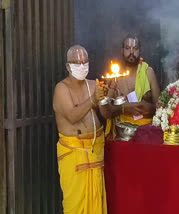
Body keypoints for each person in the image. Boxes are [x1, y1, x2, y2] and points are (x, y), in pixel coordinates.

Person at [53, 45, 108, 213]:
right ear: (68, 66)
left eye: (84, 61)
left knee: (96, 201)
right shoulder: (61, 89)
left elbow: (105, 115)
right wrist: (93, 99)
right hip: (74, 154)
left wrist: (105, 97)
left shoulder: (94, 85)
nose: (82, 65)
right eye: (77, 62)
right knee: (75, 205)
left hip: (95, 151)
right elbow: (72, 116)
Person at [103, 34, 160, 139]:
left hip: (146, 133)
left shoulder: (148, 72)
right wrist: (124, 108)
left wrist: (150, 108)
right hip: (121, 133)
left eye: (135, 48)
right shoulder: (114, 75)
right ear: (122, 50)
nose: (131, 52)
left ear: (140, 50)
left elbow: (160, 107)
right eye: (128, 48)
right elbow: (106, 112)